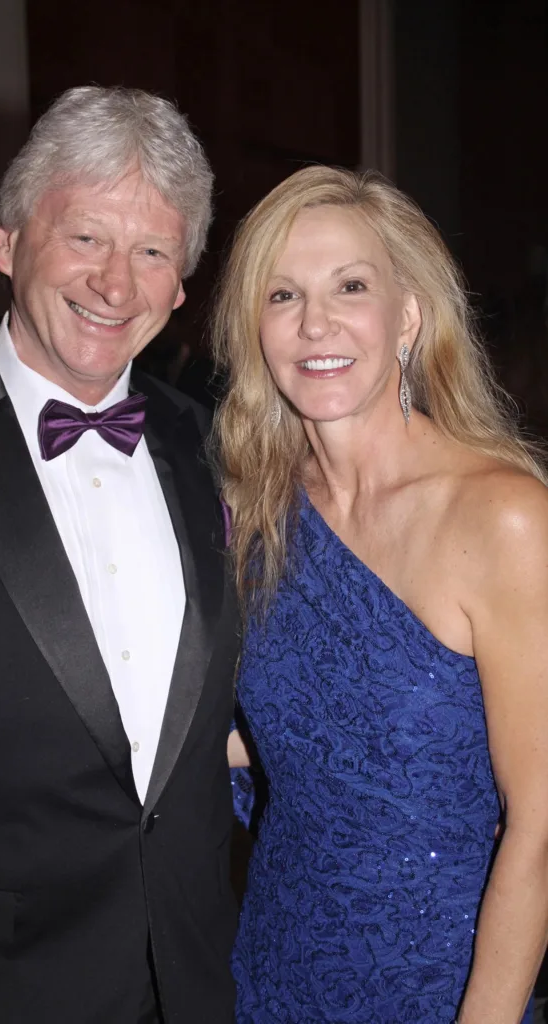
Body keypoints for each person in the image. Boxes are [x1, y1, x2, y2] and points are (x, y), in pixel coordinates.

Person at [0, 86, 240, 1024]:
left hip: (194, 983)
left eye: (151, 252)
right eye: (84, 237)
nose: (115, 284)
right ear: (6, 244)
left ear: (180, 287)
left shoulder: (217, 454)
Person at [217, 165, 548, 1023]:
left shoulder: (504, 518)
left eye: (350, 287)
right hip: (270, 975)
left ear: (406, 316)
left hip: (441, 990)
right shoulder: (254, 516)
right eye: (282, 295)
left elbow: (540, 830)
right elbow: (284, 741)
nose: (314, 322)